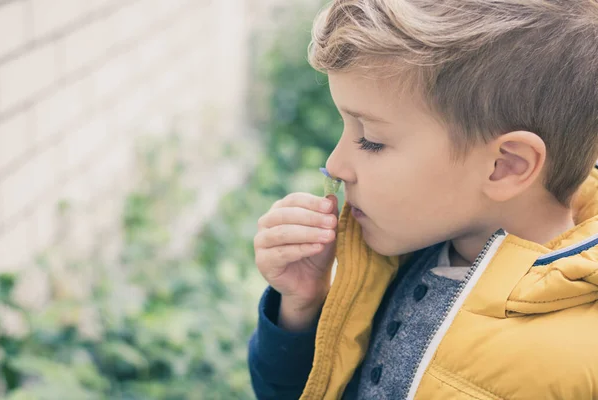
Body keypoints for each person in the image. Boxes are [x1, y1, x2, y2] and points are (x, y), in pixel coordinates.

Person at [248, 0, 598, 398]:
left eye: (371, 141)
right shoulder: (400, 257)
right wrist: (302, 308)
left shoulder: (573, 366)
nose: (335, 165)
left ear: (506, 166)